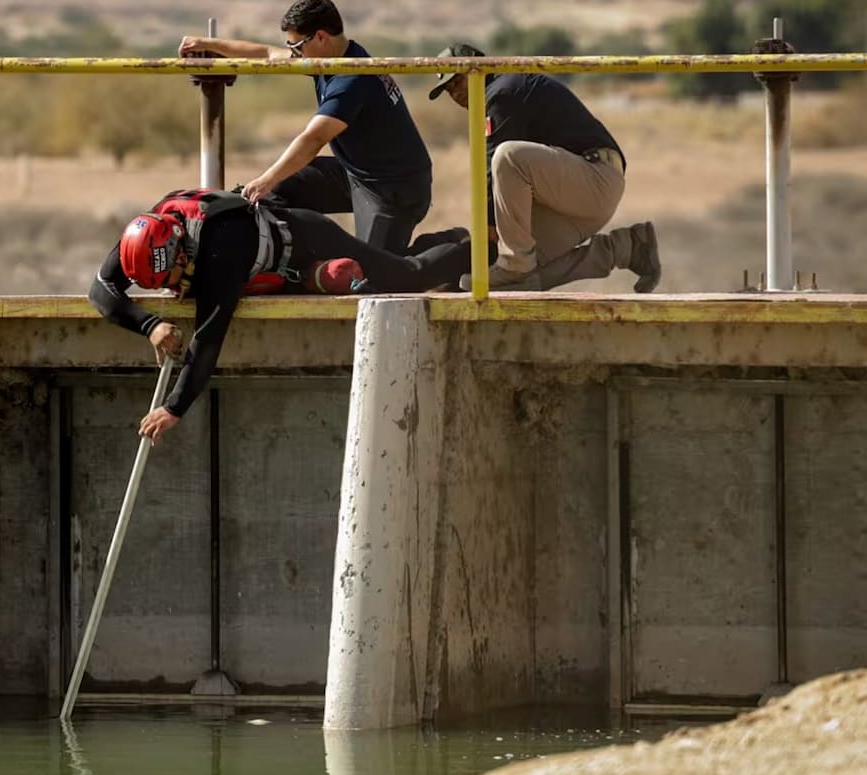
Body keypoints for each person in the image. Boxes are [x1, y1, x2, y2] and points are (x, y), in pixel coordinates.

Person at [88, 189, 470, 443]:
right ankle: (439, 246)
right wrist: (150, 325)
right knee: (393, 270)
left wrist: (174, 407)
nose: (170, 289)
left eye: (170, 279)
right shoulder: (145, 237)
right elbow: (101, 292)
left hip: (305, 242)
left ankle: (473, 249)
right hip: (268, 272)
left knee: (404, 280)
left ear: (182, 251)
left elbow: (209, 336)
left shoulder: (220, 249)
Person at [178, 0, 433, 255]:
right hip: (357, 173)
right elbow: (267, 54)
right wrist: (208, 45)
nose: (294, 54)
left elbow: (314, 138)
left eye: (297, 46)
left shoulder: (352, 80)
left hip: (395, 189)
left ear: (320, 37)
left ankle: (454, 248)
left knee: (373, 277)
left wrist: (266, 179)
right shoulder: (334, 58)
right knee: (280, 189)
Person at [428, 43, 662, 293]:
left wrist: (488, 223)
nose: (454, 93)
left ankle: (514, 263)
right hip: (575, 193)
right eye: (448, 90)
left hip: (593, 177)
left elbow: (493, 163)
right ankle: (627, 247)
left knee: (507, 157)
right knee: (524, 279)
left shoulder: (501, 91)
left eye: (457, 81)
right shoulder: (501, 91)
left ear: (477, 68)